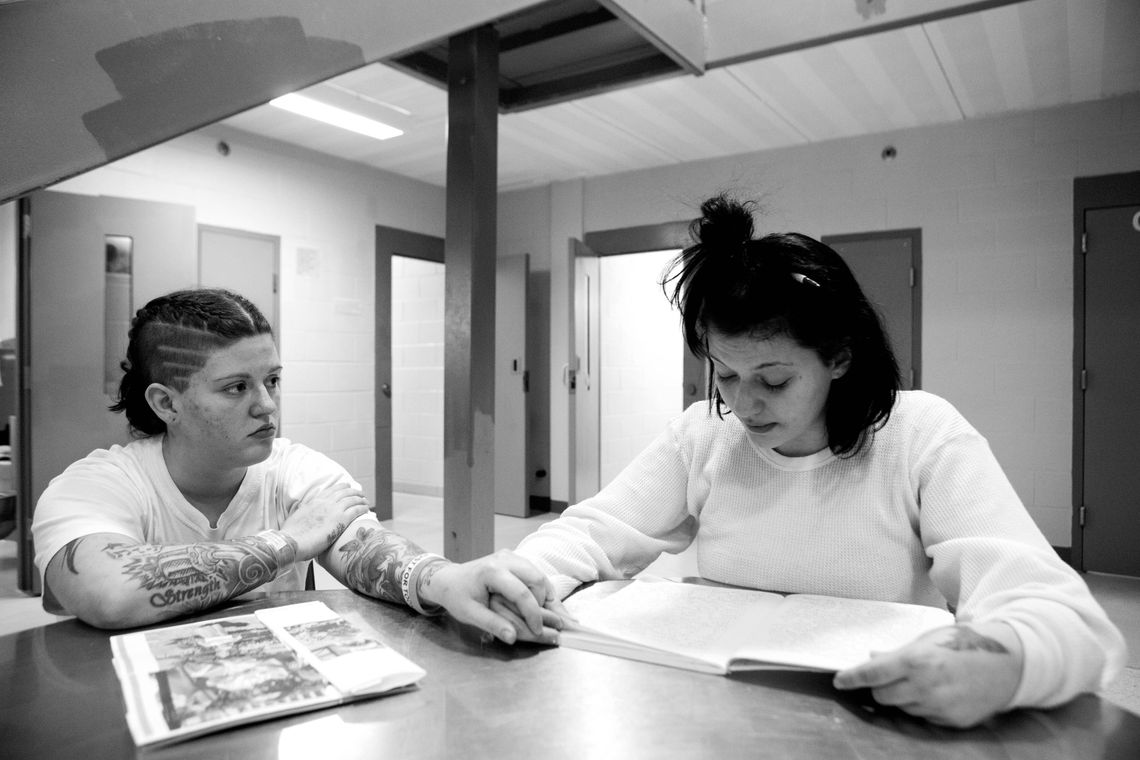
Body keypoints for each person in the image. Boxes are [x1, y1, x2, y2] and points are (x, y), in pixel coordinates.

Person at [514, 194, 1126, 728]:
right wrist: (515, 578)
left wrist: (1006, 664)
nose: (743, 404)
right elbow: (590, 534)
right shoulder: (705, 433)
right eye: (724, 375)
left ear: (839, 358)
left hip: (874, 718)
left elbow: (1071, 625)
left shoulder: (920, 434)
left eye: (774, 380)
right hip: (723, 707)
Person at [33, 287, 561, 644]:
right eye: (236, 387)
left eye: (273, 380)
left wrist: (444, 580)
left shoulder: (297, 470)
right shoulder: (97, 485)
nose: (267, 405)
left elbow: (367, 550)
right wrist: (288, 542)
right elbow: (108, 591)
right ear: (166, 404)